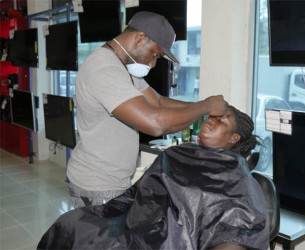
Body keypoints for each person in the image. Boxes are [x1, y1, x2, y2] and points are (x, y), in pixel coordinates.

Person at [38, 105, 269, 250]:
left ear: (234, 138)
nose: (210, 120)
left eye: (222, 120)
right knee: (73, 223)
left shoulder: (235, 173)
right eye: (212, 116)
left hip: (175, 238)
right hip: (143, 222)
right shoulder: (177, 152)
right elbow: (142, 192)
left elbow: (238, 225)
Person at [66, 11, 228, 208]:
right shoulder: (104, 69)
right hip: (98, 185)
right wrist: (206, 106)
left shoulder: (122, 66)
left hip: (111, 180)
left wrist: (203, 106)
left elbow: (157, 102)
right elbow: (155, 123)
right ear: (140, 38)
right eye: (154, 54)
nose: (152, 63)